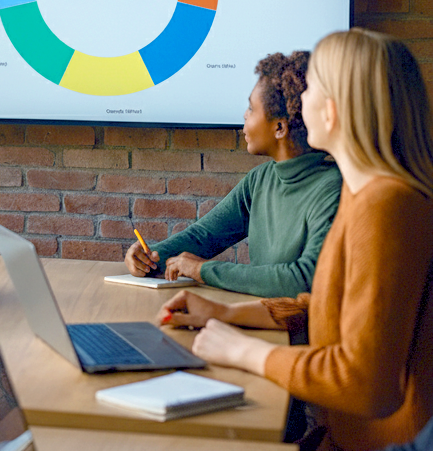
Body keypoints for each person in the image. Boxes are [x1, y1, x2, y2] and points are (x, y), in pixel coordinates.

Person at [158, 29, 433, 451]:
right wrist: (226, 313)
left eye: (312, 87)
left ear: (334, 109)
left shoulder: (387, 205)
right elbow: (327, 303)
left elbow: (367, 386)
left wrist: (246, 352)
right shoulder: (365, 194)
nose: (301, 99)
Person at [124, 51, 342, 297]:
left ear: (280, 128)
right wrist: (150, 257)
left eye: (251, 108)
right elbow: (204, 236)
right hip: (257, 314)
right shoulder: (259, 180)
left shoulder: (333, 189)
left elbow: (304, 280)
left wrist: (203, 270)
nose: (245, 115)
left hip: (295, 322)